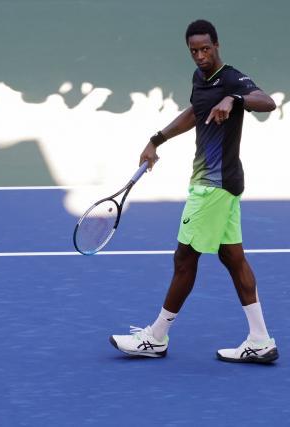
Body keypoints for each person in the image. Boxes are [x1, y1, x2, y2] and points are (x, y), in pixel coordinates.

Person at [109, 19, 279, 363]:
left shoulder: (231, 78)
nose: (200, 56)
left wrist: (234, 99)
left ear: (217, 45)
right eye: (194, 51)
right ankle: (261, 340)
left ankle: (156, 337)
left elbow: (267, 102)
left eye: (205, 49)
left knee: (185, 259)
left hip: (213, 185)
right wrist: (157, 139)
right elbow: (194, 113)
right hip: (220, 183)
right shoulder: (199, 80)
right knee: (233, 257)